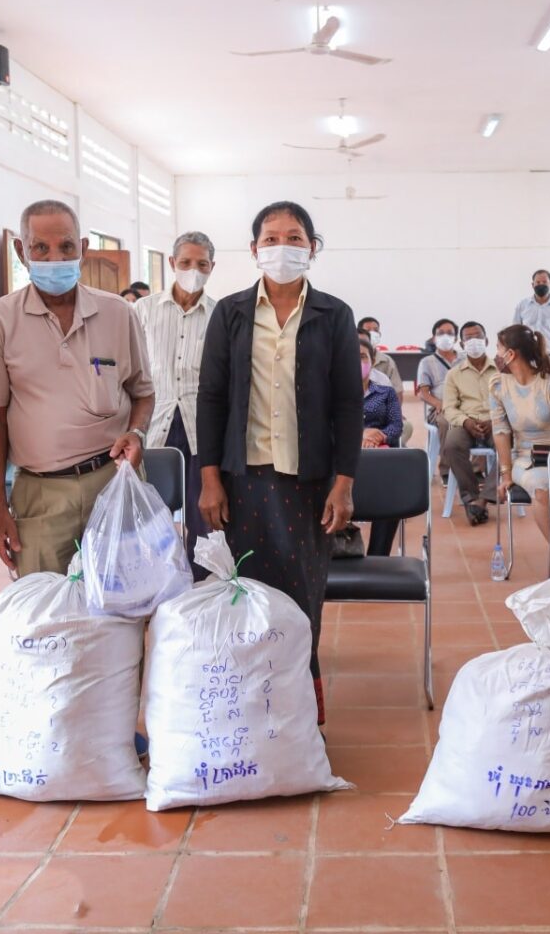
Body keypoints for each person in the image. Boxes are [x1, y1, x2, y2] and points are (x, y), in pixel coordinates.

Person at [198, 201, 360, 725]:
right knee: (246, 599)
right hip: (242, 482)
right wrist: (209, 479)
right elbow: (212, 397)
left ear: (312, 248)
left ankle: (298, 723)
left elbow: (347, 404)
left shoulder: (333, 314)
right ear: (253, 250)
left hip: (308, 484)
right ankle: (248, 715)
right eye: (270, 238)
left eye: (294, 237)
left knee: (300, 601)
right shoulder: (231, 312)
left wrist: (343, 483)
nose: (282, 247)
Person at [0, 200, 154, 577]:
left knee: (125, 605)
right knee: (47, 617)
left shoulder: (118, 314)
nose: (55, 258)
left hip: (113, 481)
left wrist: (137, 432)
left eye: (67, 247)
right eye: (41, 248)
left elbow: (143, 392)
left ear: (84, 249)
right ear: (21, 251)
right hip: (41, 495)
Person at [136, 231, 216, 572]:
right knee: (152, 516)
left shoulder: (220, 314)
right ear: (172, 264)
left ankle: (198, 591)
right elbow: (131, 370)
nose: (192, 270)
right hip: (156, 426)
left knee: (204, 518)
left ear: (212, 267)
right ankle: (157, 584)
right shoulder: (143, 310)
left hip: (202, 430)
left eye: (201, 264)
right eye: (185, 263)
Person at [490, 324, 550, 547]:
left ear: (511, 354)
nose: (496, 355)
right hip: (526, 458)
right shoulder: (498, 386)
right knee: (541, 488)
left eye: (498, 348)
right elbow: (500, 432)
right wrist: (506, 474)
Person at [441, 321, 498, 526]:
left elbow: (512, 403)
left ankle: (483, 500)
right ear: (462, 344)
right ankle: (471, 496)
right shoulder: (454, 374)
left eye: (478, 336)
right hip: (466, 422)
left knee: (510, 446)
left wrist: (495, 420)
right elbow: (449, 408)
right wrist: (465, 422)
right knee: (452, 445)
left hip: (496, 421)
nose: (474, 342)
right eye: (468, 338)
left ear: (487, 340)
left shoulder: (502, 371)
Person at [359, 337, 403, 556]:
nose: (357, 362)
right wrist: (360, 435)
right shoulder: (331, 393)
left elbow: (397, 425)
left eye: (362, 357)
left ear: (373, 360)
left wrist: (380, 436)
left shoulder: (385, 392)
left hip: (380, 460)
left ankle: (378, 557)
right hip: (344, 463)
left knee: (392, 497)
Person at [415, 318, 458, 480]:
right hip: (440, 409)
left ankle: (476, 469)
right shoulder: (426, 362)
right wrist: (439, 404)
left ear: (456, 338)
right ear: (433, 338)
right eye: (441, 333)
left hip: (465, 406)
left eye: (450, 333)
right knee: (446, 422)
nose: (445, 337)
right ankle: (446, 469)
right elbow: (423, 393)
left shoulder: (464, 360)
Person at [513, 268, 550, 376]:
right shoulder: (522, 306)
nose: (541, 285)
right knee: (528, 391)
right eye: (538, 282)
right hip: (527, 358)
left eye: (544, 282)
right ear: (532, 285)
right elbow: (514, 334)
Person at [357, 322, 402, 389]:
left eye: (375, 330)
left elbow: (396, 391)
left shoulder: (381, 379)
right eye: (368, 329)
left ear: (373, 361)